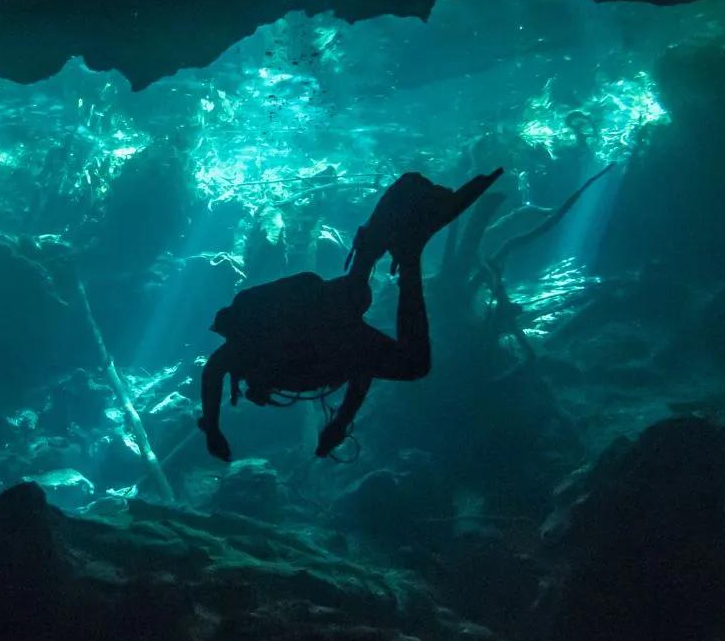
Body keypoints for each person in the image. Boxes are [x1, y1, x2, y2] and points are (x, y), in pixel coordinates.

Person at [198, 169, 504, 461]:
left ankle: (404, 245)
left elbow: (213, 371)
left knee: (410, 358)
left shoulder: (252, 352)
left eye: (253, 394)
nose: (258, 397)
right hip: (333, 317)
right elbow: (360, 366)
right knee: (363, 286)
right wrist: (340, 423)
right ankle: (398, 230)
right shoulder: (261, 360)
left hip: (326, 318)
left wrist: (212, 429)